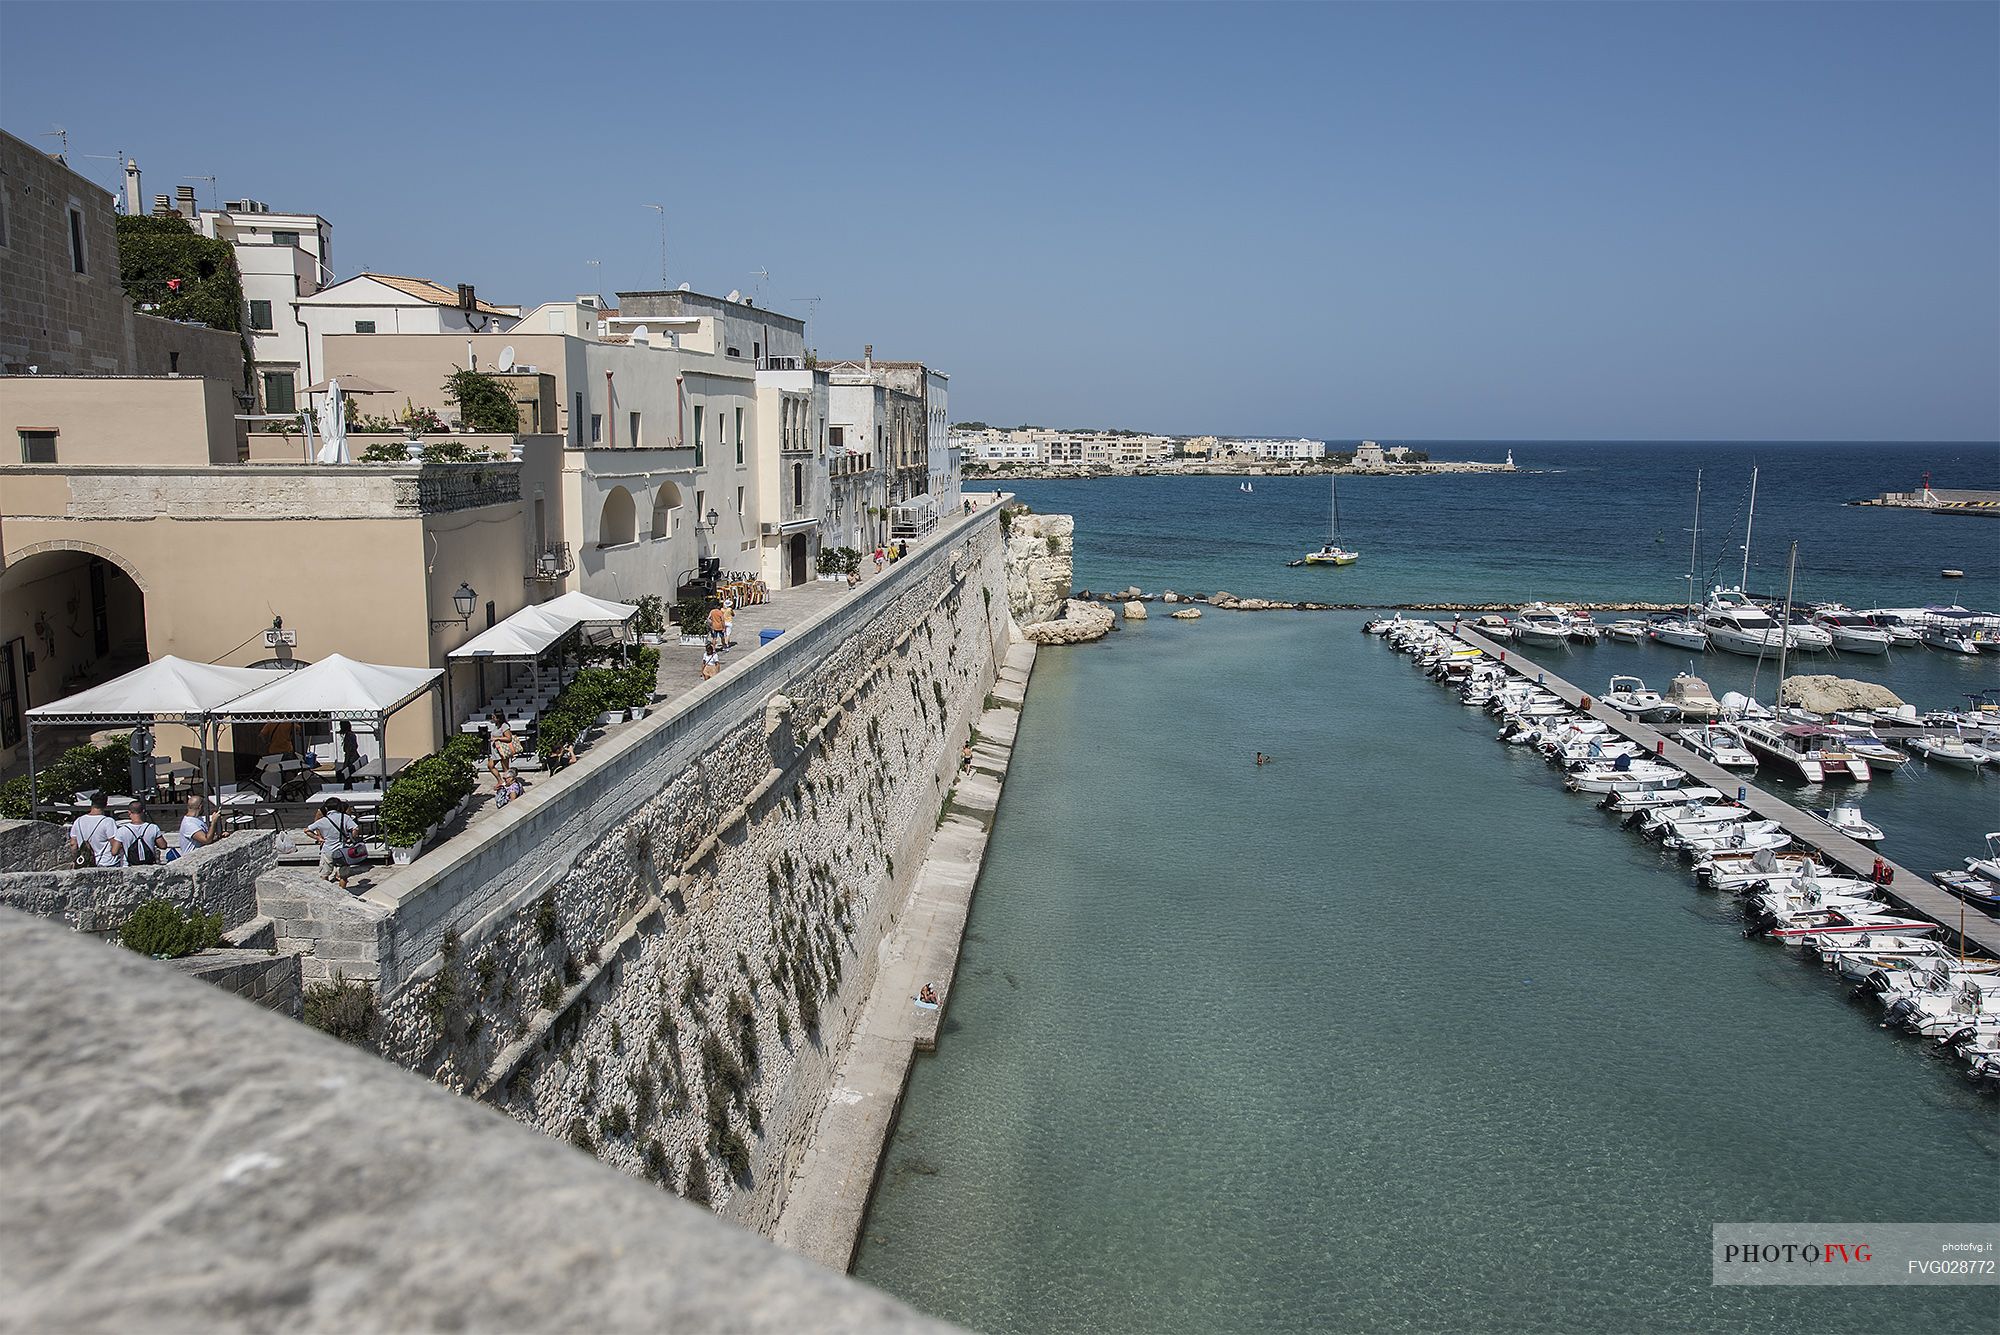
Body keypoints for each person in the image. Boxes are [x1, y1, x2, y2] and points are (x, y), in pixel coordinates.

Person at [305, 797, 359, 889]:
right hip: (342, 850)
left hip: (327, 850)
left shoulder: (322, 821)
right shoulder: (345, 817)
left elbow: (307, 830)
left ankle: (328, 892)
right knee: (343, 876)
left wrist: (318, 838)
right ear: (339, 807)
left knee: (324, 875)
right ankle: (342, 892)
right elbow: (355, 828)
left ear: (326, 808)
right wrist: (352, 838)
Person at [67, 793, 123, 868]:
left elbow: (73, 844)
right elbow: (114, 845)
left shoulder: (78, 821)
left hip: (85, 862)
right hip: (106, 862)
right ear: (105, 805)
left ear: (91, 804)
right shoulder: (108, 821)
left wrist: (76, 857)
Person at [338, 720, 362, 789]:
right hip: (355, 757)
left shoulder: (348, 736)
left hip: (351, 760)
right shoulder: (352, 734)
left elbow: (348, 751)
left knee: (346, 776)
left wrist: (345, 765)